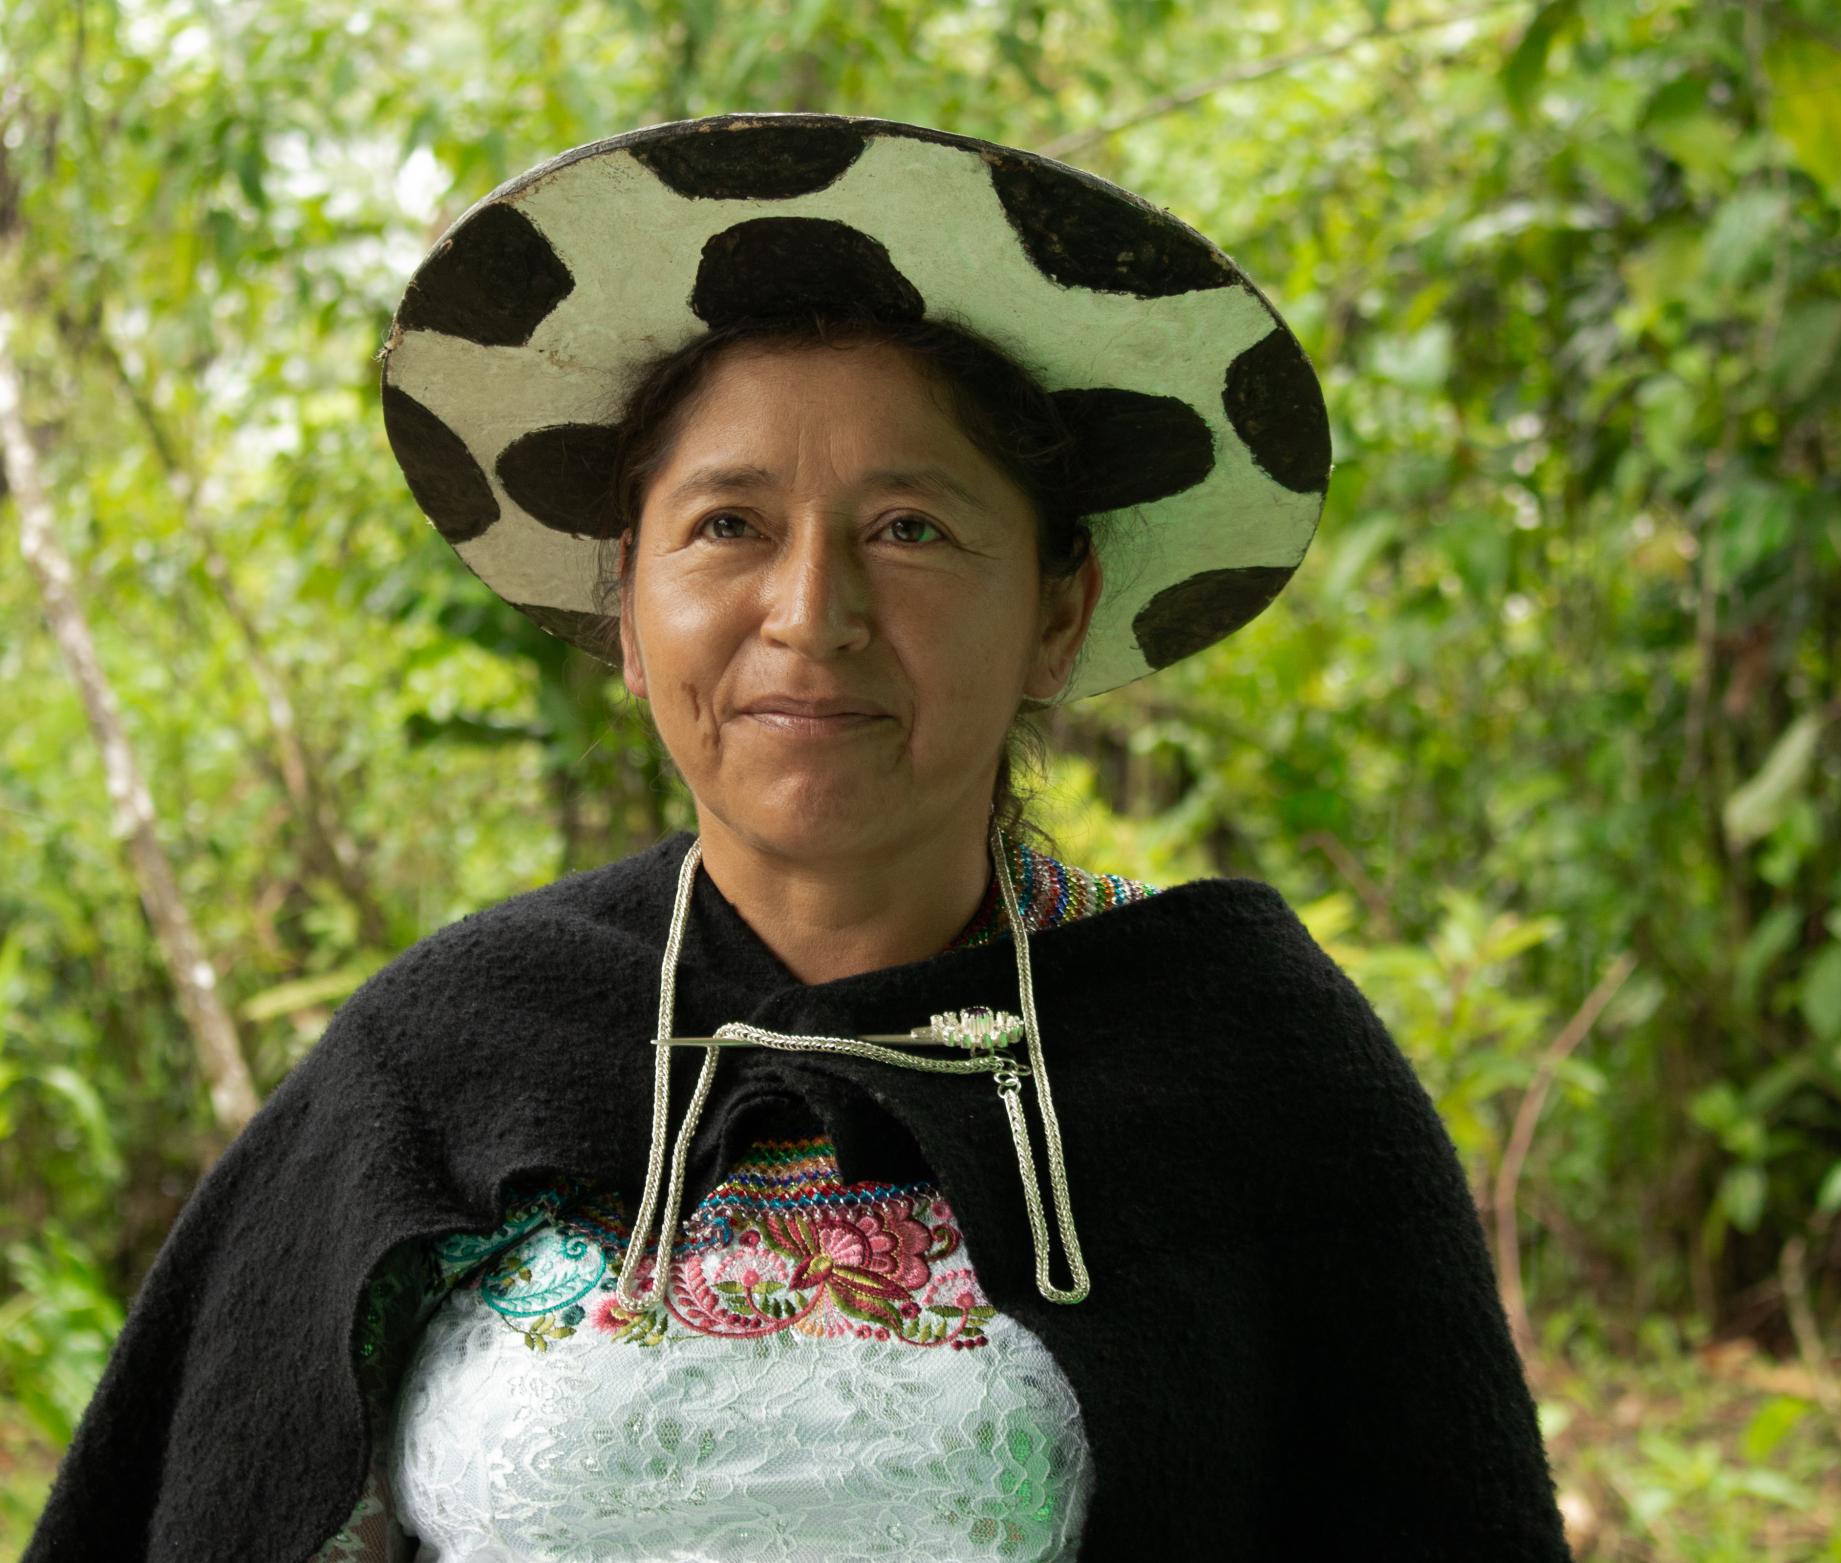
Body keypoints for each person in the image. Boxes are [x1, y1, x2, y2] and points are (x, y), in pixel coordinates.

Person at [28, 114, 1574, 1562]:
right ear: (627, 611)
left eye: (911, 529)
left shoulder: (1246, 1060)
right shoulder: (449, 1046)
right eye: (729, 527)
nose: (811, 616)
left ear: (1058, 610)